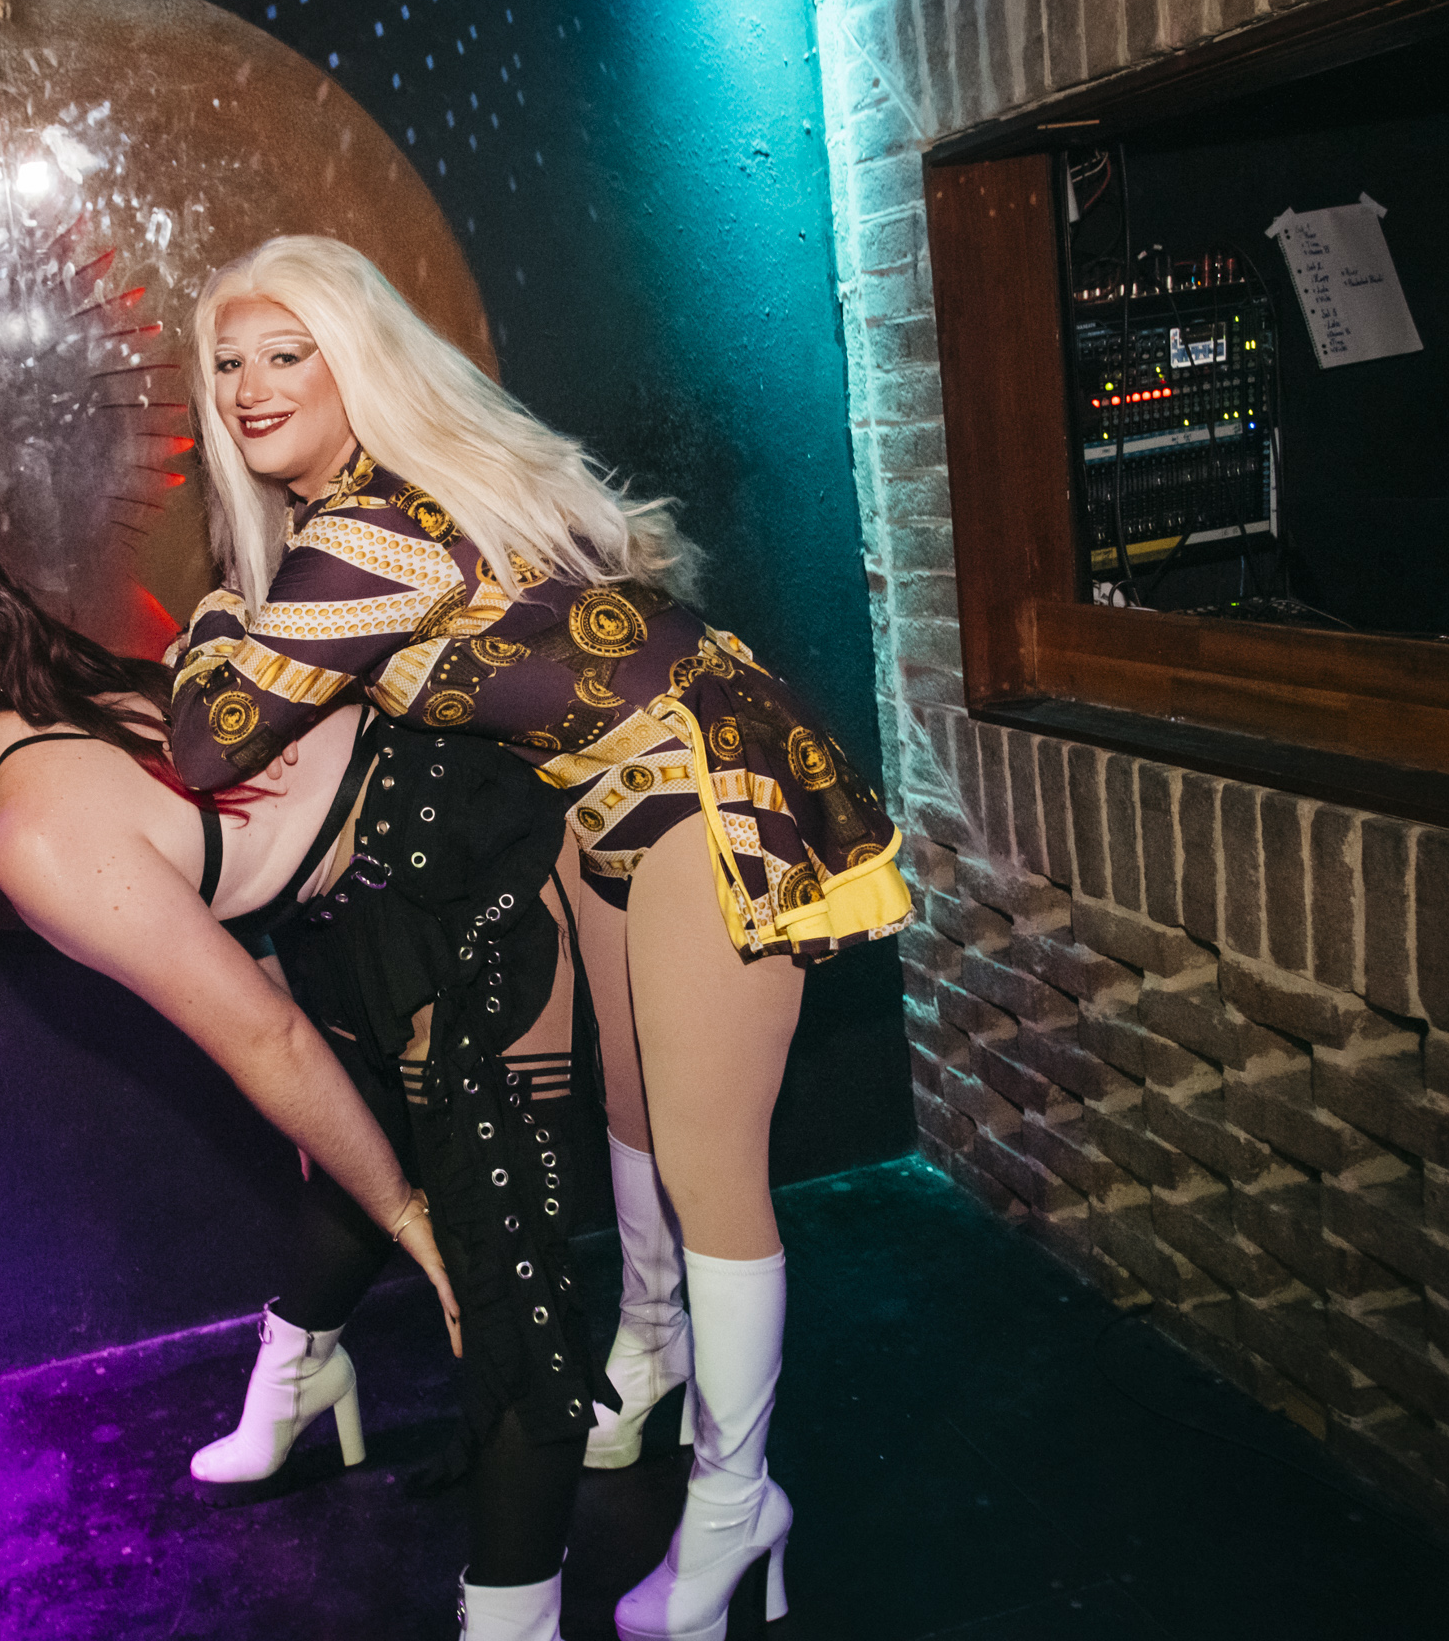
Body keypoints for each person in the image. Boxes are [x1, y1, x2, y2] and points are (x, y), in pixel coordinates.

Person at [166, 236, 914, 1641]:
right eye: (228, 363)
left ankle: (736, 1506)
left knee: (708, 1167)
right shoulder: (379, 506)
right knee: (630, 1110)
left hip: (705, 787)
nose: (252, 386)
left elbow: (211, 740)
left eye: (288, 353)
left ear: (356, 365)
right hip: (606, 804)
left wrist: (217, 613)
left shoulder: (371, 532)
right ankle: (650, 1349)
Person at [0, 507, 611, 1637]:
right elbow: (242, 903)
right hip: (374, 882)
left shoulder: (32, 836)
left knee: (489, 1270)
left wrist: (413, 1221)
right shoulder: (51, 707)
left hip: (466, 852)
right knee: (343, 1143)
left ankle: (519, 1604)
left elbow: (265, 1037)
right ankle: (304, 1377)